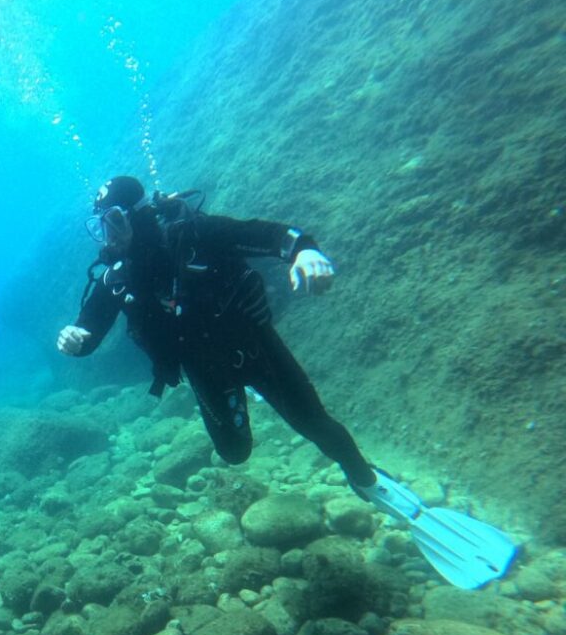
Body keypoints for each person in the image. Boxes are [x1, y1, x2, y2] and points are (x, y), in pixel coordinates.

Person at [56, 176, 516, 589]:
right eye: (100, 227)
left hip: (255, 350)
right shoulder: (117, 278)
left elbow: (271, 234)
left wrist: (305, 251)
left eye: (114, 221)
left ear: (139, 213)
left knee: (315, 424)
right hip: (204, 370)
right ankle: (242, 399)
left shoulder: (196, 235)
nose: (108, 237)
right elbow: (88, 330)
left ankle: (370, 482)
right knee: (234, 454)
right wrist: (74, 339)